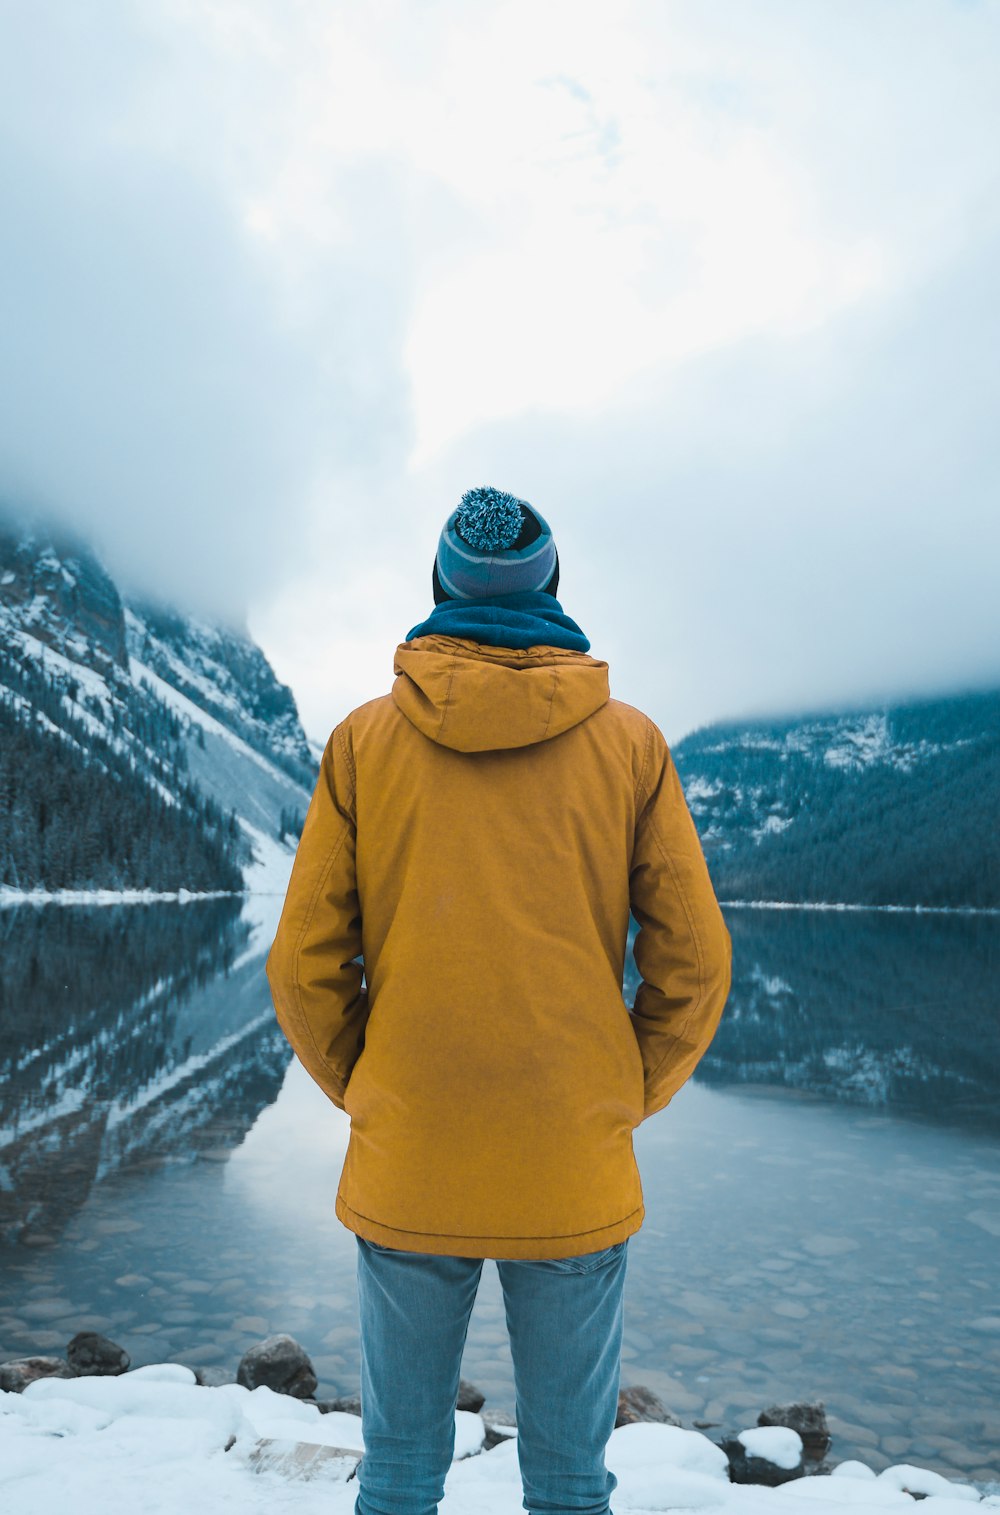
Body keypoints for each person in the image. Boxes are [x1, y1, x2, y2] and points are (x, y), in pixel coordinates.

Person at [265, 486, 732, 1515]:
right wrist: (621, 1093)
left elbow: (303, 962)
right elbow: (693, 962)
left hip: (411, 1146)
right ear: (553, 590)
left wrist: (371, 1086)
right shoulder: (631, 745)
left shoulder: (362, 742)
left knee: (396, 1471)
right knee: (570, 1479)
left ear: (437, 589)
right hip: (572, 1153)